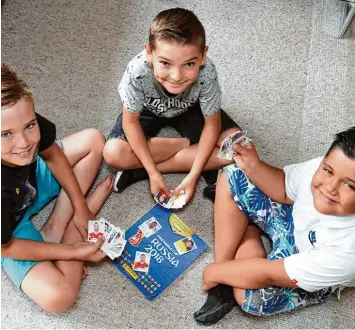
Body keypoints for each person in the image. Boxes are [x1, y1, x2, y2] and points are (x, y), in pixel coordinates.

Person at [194, 127, 355, 325]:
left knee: (250, 298)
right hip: (293, 217)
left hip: (310, 263)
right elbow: (285, 190)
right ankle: (224, 277)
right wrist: (254, 166)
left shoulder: (348, 251)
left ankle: (247, 236)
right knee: (234, 175)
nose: (329, 188)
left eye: (350, 185)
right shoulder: (327, 167)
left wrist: (212, 272)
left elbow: (269, 274)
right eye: (327, 170)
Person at [1, 64, 113, 312]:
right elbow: (7, 246)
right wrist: (71, 251)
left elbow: (51, 154)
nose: (24, 143)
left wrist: (80, 206)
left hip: (29, 185)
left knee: (94, 140)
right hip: (10, 231)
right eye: (6, 134)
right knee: (58, 297)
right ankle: (72, 232)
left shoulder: (17, 115)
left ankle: (57, 226)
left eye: (30, 125)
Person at [103, 7, 240, 203]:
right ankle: (190, 145)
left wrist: (192, 177)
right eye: (165, 63)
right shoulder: (137, 70)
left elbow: (212, 125)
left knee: (240, 147)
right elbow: (130, 123)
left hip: (190, 108)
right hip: (147, 109)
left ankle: (137, 172)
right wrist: (156, 173)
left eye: (189, 64)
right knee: (113, 153)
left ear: (203, 56)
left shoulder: (207, 70)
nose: (176, 76)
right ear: (149, 53)